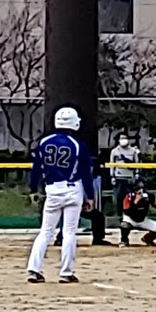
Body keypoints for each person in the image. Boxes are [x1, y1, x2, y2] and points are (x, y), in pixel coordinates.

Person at [26, 106, 94, 284]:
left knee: (45, 232)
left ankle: (33, 269)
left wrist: (33, 188)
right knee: (69, 231)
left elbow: (36, 170)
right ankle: (66, 272)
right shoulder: (79, 145)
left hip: (52, 190)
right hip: (73, 189)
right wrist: (90, 196)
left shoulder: (44, 141)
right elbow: (86, 173)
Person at [119, 180, 156, 247]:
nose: (140, 191)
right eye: (137, 189)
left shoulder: (148, 196)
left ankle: (147, 239)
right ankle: (124, 241)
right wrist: (136, 202)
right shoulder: (128, 197)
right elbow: (127, 211)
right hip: (130, 220)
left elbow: (155, 204)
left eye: (141, 189)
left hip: (143, 220)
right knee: (124, 225)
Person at [109, 132, 139, 216]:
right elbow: (112, 164)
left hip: (130, 177)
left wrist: (136, 174)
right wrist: (112, 176)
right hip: (119, 177)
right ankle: (119, 215)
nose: (124, 140)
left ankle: (130, 215)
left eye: (125, 138)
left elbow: (137, 163)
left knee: (131, 197)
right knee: (119, 197)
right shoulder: (115, 151)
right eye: (121, 138)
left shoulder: (133, 151)